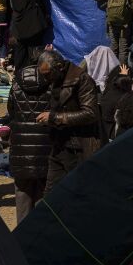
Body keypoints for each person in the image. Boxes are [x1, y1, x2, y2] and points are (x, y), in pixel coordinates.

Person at [33, 49, 101, 189]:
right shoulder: (54, 80)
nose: (46, 79)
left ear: (59, 67)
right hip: (59, 143)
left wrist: (54, 118)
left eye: (48, 75)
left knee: (77, 191)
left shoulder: (82, 79)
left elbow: (90, 113)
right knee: (51, 193)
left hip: (77, 147)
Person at [5, 59, 52, 219]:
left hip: (20, 147)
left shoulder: (17, 84)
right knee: (43, 194)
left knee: (22, 194)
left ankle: (22, 237)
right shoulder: (51, 85)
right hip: (44, 146)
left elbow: (10, 111)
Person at [7, 0, 51, 68]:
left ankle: (19, 75)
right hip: (34, 25)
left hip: (19, 26)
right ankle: (35, 73)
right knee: (35, 53)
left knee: (20, 52)